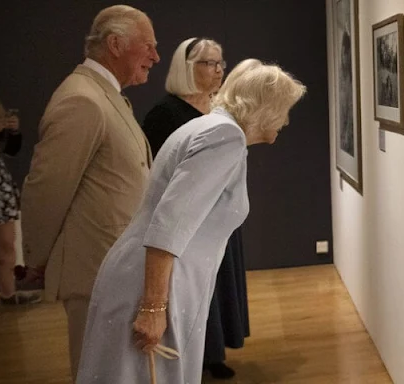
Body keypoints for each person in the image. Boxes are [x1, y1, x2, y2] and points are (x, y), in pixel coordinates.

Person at [76, 58, 306, 384]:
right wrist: (153, 307)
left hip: (153, 276)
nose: (285, 120)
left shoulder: (209, 127)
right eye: (284, 109)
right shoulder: (224, 137)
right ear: (265, 107)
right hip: (158, 283)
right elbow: (170, 222)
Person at [19, 5, 159, 380]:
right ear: (115, 44)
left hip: (114, 269)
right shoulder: (82, 99)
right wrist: (37, 257)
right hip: (97, 273)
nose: (155, 57)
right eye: (148, 46)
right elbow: (47, 189)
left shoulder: (102, 94)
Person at [142, 37, 249, 379]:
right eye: (209, 63)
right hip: (186, 223)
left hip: (218, 215)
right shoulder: (165, 113)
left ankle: (213, 352)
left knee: (218, 287)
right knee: (192, 289)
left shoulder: (220, 107)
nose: (218, 71)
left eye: (221, 63)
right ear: (186, 68)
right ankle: (190, 356)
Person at [0, 98, 39, 305]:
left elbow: (11, 151)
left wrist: (12, 131)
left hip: (0, 189)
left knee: (7, 245)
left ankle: (8, 295)